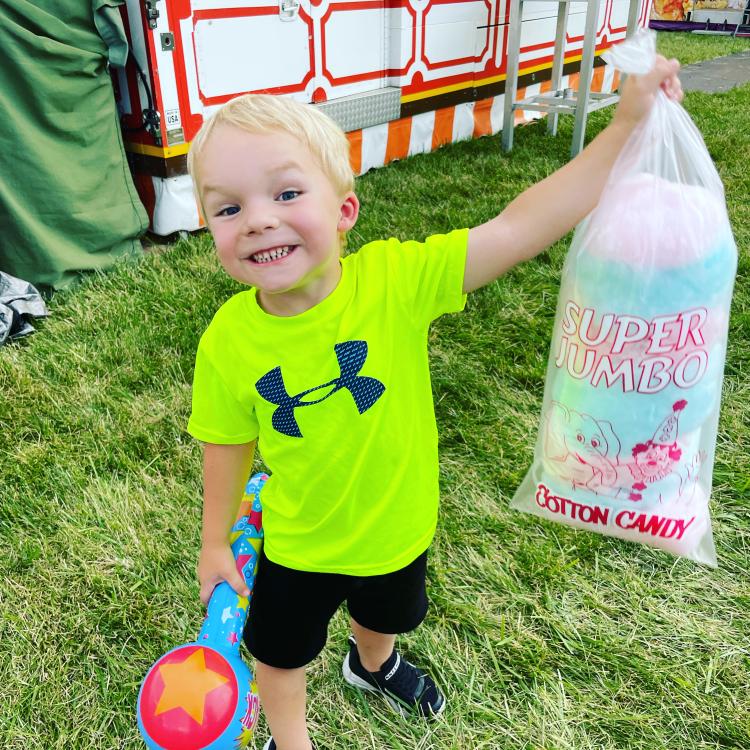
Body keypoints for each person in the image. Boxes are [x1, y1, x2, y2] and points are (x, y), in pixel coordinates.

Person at [186, 56, 683, 750]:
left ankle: (372, 663)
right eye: (229, 207)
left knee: (387, 611)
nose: (260, 221)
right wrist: (214, 541)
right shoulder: (229, 340)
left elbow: (519, 226)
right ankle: (290, 740)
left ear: (345, 210)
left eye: (287, 194)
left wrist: (626, 125)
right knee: (279, 652)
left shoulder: (397, 281)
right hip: (299, 542)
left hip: (400, 524)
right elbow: (226, 442)